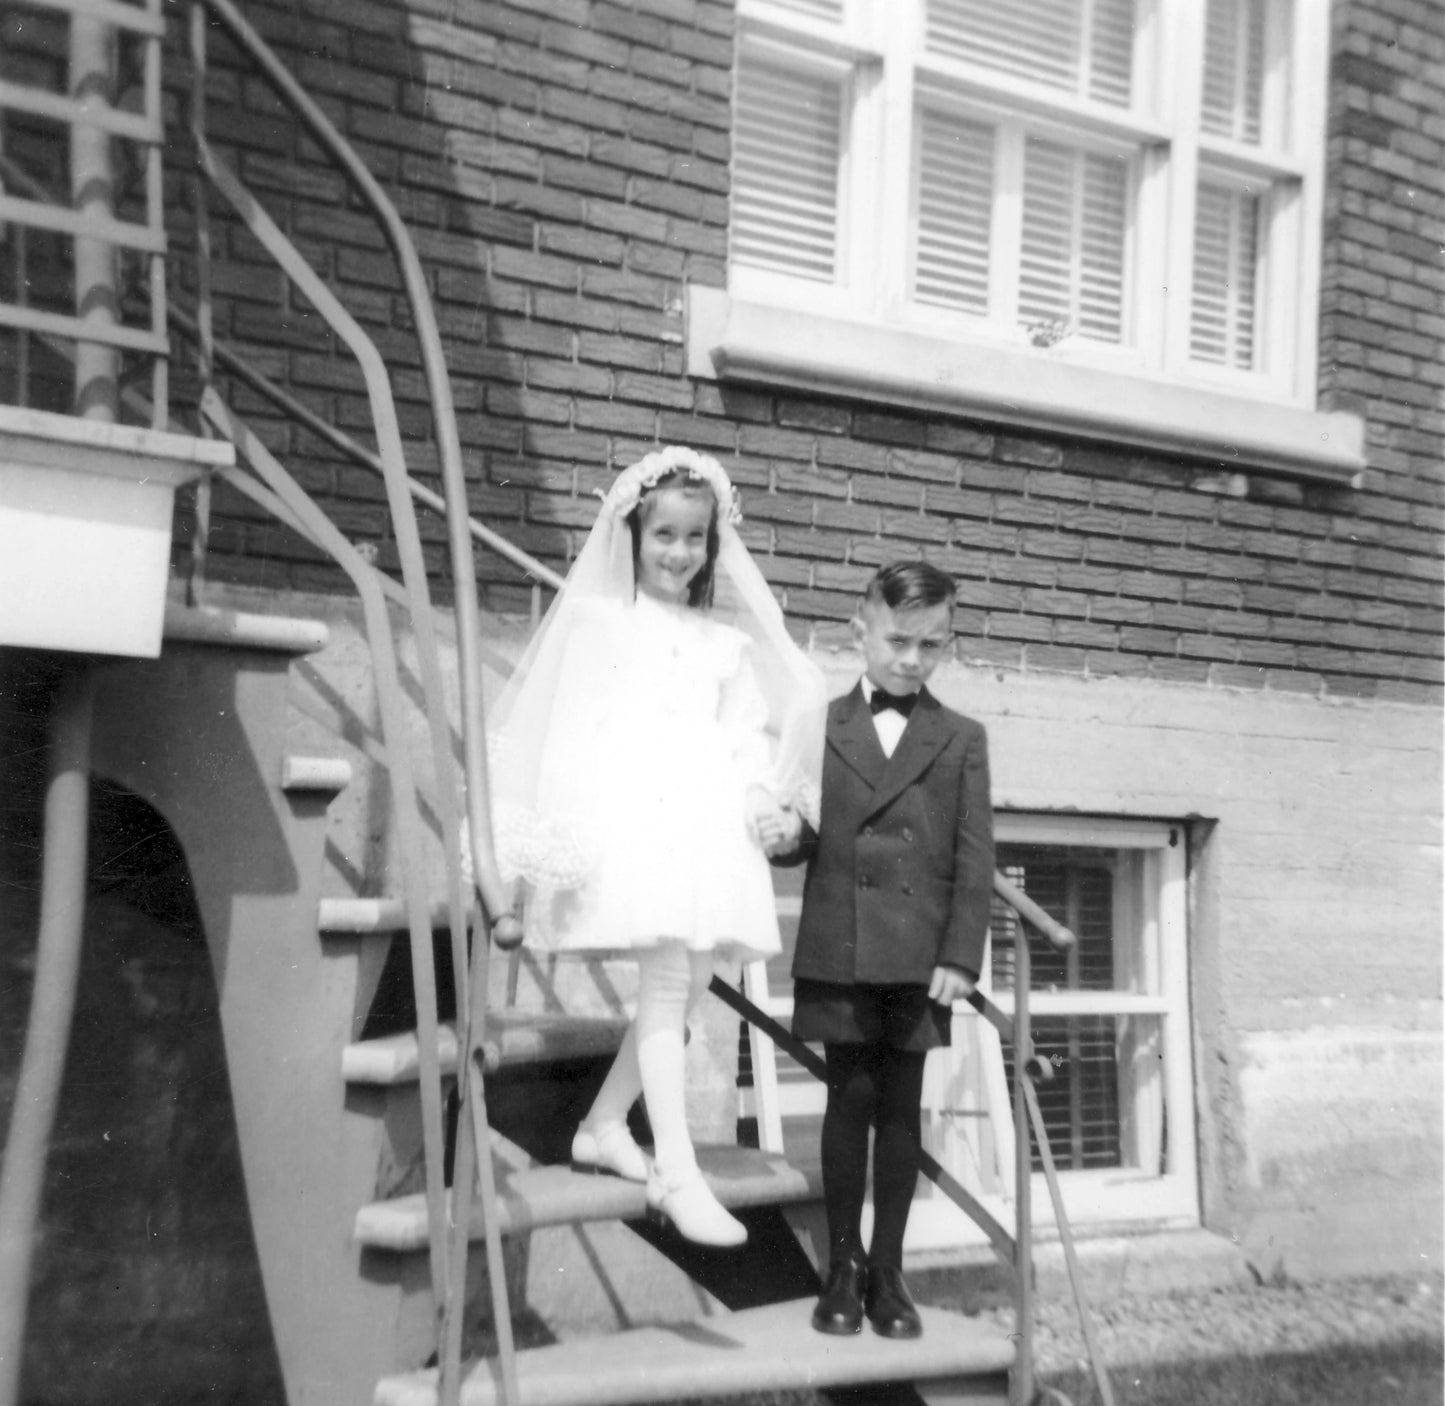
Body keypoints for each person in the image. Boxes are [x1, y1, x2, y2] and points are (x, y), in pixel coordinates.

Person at [489, 445, 826, 1248]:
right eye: (663, 535)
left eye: (694, 539)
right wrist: (572, 830)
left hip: (703, 822)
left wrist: (755, 789)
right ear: (633, 534)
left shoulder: (721, 645)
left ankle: (605, 1122)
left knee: (697, 972)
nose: (678, 553)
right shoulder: (602, 624)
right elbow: (570, 730)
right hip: (637, 816)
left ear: (713, 546)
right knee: (671, 973)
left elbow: (743, 731)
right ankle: (676, 1169)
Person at [779, 560, 994, 1337]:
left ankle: (889, 1273)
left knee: (901, 1110)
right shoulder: (818, 723)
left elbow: (974, 859)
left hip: (915, 957)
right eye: (897, 641)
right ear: (859, 631)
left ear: (946, 644)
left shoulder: (961, 738)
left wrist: (960, 956)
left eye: (930, 646)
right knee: (847, 1102)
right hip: (839, 942)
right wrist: (779, 838)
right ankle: (842, 1267)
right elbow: (798, 824)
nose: (910, 660)